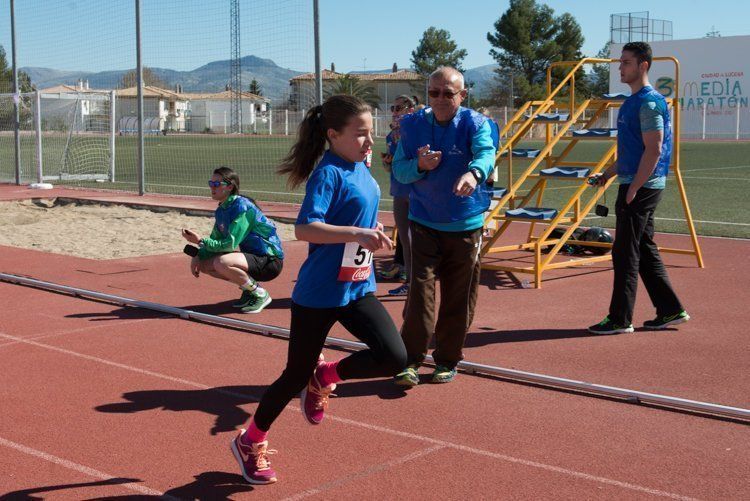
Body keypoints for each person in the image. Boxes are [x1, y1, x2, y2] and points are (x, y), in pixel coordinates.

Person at [229, 95, 407, 485]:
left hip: (357, 287)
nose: (368, 142)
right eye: (360, 134)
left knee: (395, 358)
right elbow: (305, 228)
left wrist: (372, 233)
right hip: (320, 293)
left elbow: (360, 215)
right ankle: (250, 440)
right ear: (333, 135)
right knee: (293, 375)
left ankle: (327, 375)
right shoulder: (328, 174)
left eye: (371, 134)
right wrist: (358, 233)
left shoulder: (363, 168)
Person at [391, 67, 496, 386]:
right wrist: (419, 166)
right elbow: (399, 171)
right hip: (423, 223)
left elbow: (487, 153)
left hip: (466, 227)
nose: (439, 99)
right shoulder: (411, 126)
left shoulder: (475, 123)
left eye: (447, 93)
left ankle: (448, 359)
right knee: (420, 294)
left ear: (462, 95)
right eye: (433, 92)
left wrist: (473, 174)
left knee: (458, 297)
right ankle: (409, 360)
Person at [587, 41, 690, 334]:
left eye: (626, 62)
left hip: (641, 186)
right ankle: (671, 310)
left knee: (624, 253)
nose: (620, 67)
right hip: (635, 181)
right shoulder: (632, 101)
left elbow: (654, 149)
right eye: (621, 62)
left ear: (643, 65)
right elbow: (631, 152)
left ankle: (620, 319)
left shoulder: (647, 102)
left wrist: (634, 189)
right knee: (643, 248)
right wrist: (606, 175)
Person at [181, 167, 284, 314]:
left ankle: (259, 293)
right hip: (252, 260)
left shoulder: (242, 207)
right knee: (205, 265)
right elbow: (216, 239)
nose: (212, 187)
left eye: (217, 184)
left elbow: (229, 244)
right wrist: (198, 255)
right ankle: (248, 289)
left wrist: (199, 241)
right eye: (211, 183)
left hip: (269, 260)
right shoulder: (222, 209)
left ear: (230, 187)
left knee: (221, 262)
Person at [380, 95, 416, 296]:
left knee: (416, 241)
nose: (394, 111)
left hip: (415, 192)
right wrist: (387, 162)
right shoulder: (390, 135)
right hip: (399, 191)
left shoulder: (417, 132)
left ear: (410, 110)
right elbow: (389, 166)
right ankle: (410, 283)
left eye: (399, 107)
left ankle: (417, 284)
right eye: (393, 107)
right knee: (404, 238)